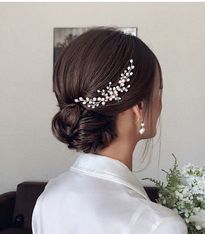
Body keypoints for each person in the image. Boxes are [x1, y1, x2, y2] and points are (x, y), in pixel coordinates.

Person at [32, 26, 187, 234]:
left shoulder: (49, 196)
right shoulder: (159, 225)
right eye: (158, 90)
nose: (160, 103)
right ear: (139, 107)